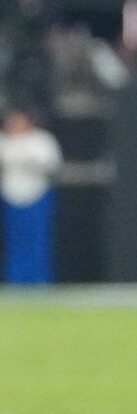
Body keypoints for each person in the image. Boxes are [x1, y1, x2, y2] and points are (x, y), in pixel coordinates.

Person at [0, 109, 61, 285]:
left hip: (37, 195)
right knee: (14, 241)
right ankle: (15, 280)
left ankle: (38, 281)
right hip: (11, 197)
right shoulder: (4, 142)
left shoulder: (41, 140)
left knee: (37, 241)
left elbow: (52, 166)